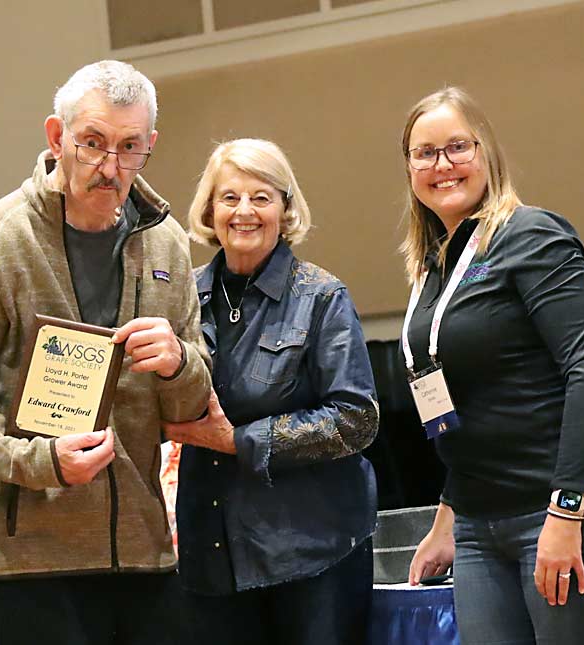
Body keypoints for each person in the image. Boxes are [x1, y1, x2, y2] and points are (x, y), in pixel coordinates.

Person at [0, 60, 212, 645]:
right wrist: (37, 461)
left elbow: (195, 395)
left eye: (129, 148)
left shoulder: (169, 242)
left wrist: (178, 362)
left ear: (150, 144)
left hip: (140, 550)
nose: (110, 167)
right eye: (93, 143)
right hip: (28, 558)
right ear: (56, 137)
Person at [401, 87, 584, 644]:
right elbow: (468, 401)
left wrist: (568, 510)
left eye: (457, 146)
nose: (442, 165)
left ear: (488, 153)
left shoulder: (531, 235)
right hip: (480, 519)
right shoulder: (435, 266)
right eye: (424, 152)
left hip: (562, 509)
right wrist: (447, 516)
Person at [163, 138, 379, 644]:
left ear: (286, 209)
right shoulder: (180, 297)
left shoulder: (322, 296)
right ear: (209, 210)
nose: (244, 211)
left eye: (262, 197)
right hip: (209, 552)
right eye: (229, 197)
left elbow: (356, 419)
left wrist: (237, 441)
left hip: (311, 554)